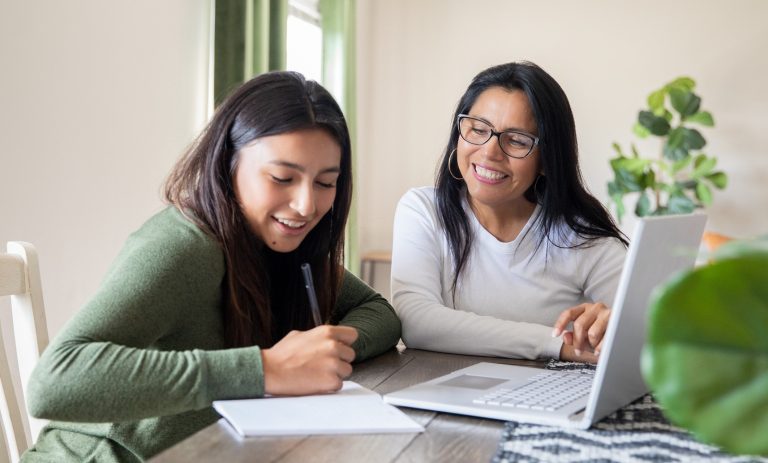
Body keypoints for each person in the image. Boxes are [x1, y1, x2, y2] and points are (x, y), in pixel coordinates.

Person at [23, 71, 401, 462]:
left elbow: (380, 314)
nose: (306, 205)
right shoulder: (182, 247)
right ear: (228, 164)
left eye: (325, 183)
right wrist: (265, 368)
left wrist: (322, 352)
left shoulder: (285, 248)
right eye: (282, 177)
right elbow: (53, 382)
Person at [391, 61, 627, 364]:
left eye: (516, 140)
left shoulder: (580, 238)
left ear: (546, 159)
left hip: (546, 401)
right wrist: (559, 345)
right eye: (478, 129)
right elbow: (417, 323)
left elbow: (653, 329)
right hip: (442, 395)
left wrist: (616, 323)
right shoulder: (423, 211)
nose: (490, 152)